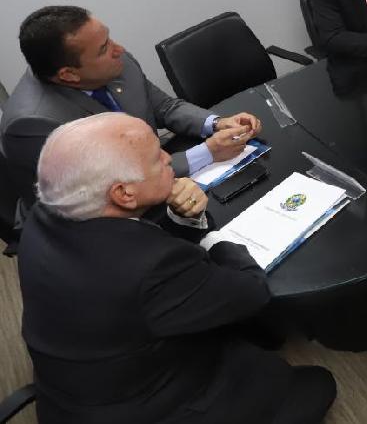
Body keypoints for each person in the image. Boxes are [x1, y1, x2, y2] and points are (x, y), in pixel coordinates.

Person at [17, 113, 336, 423]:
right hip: (147, 405)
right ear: (124, 193)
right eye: (157, 158)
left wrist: (184, 219)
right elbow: (251, 292)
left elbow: (131, 251)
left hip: (73, 390)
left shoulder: (44, 215)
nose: (170, 159)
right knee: (318, 385)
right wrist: (209, 232)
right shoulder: (150, 267)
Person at [0, 6, 261, 213]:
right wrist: (208, 153)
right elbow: (109, 190)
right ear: (68, 75)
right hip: (101, 224)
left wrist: (215, 123)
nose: (119, 49)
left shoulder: (115, 61)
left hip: (159, 177)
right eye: (104, 49)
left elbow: (165, 107)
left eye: (108, 38)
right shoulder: (32, 125)